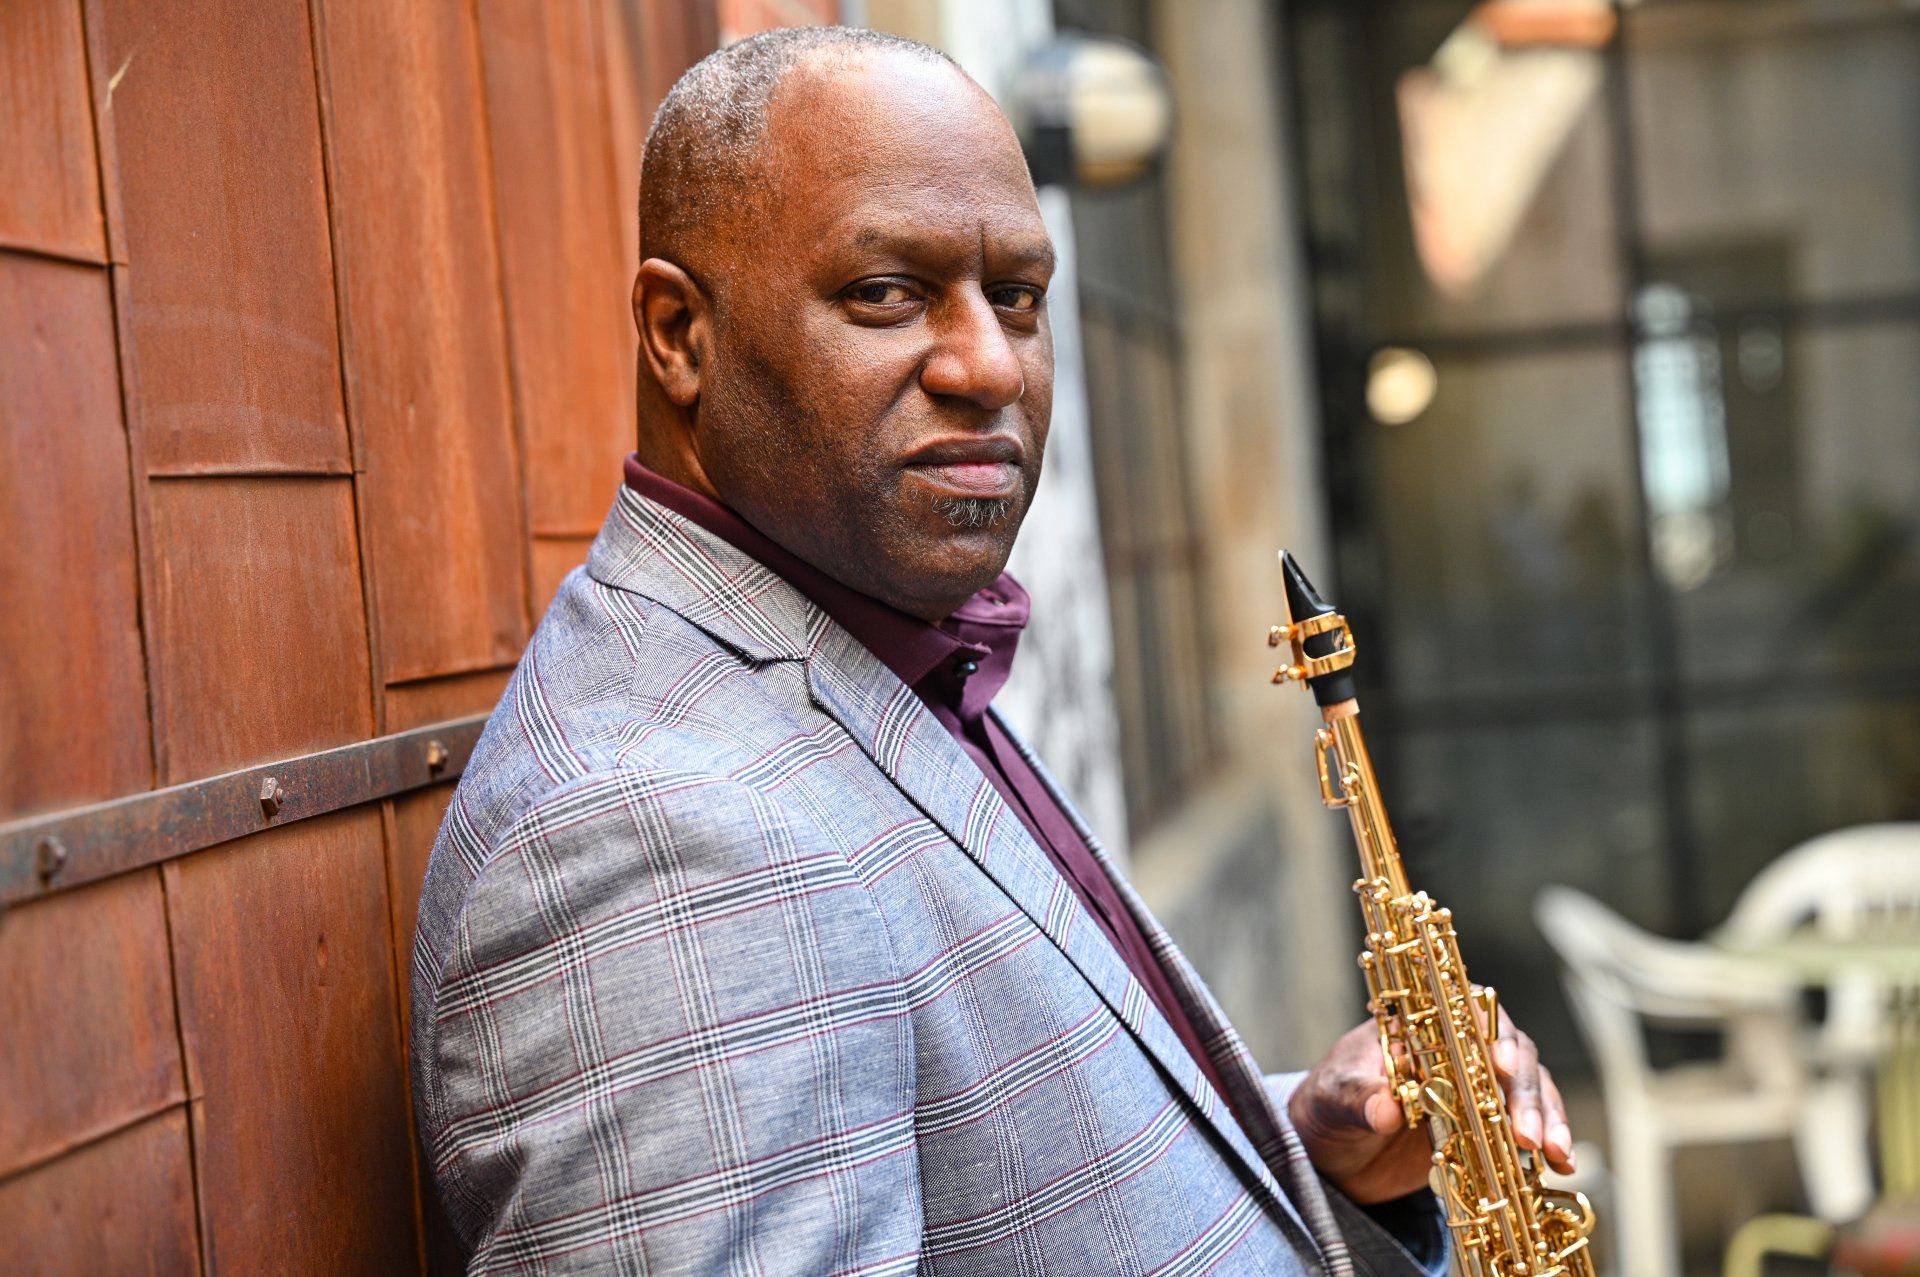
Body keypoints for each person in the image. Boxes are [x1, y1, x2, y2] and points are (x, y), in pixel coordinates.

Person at [410, 26, 1575, 1275]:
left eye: (1017, 296)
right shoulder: (653, 836)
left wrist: (1303, 1151)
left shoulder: (863, 635)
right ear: (680, 334)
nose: (987, 365)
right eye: (886, 294)